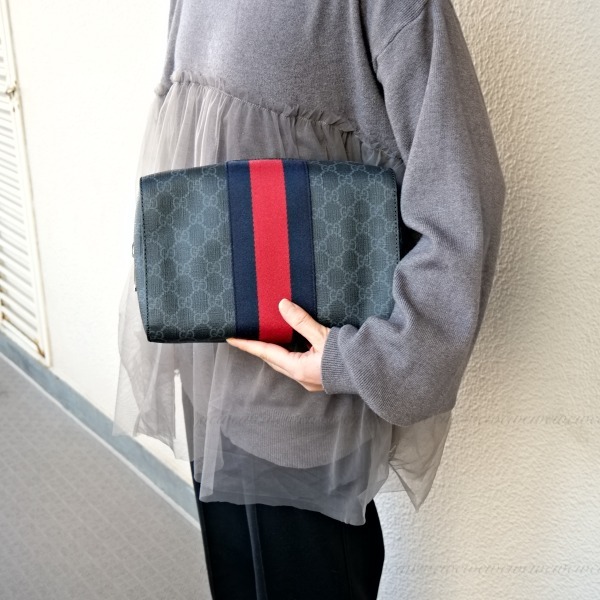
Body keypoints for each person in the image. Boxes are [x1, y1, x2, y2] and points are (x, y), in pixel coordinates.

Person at [113, 0, 505, 598]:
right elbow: (189, 130)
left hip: (303, 415)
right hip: (210, 385)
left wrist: (368, 358)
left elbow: (462, 198)